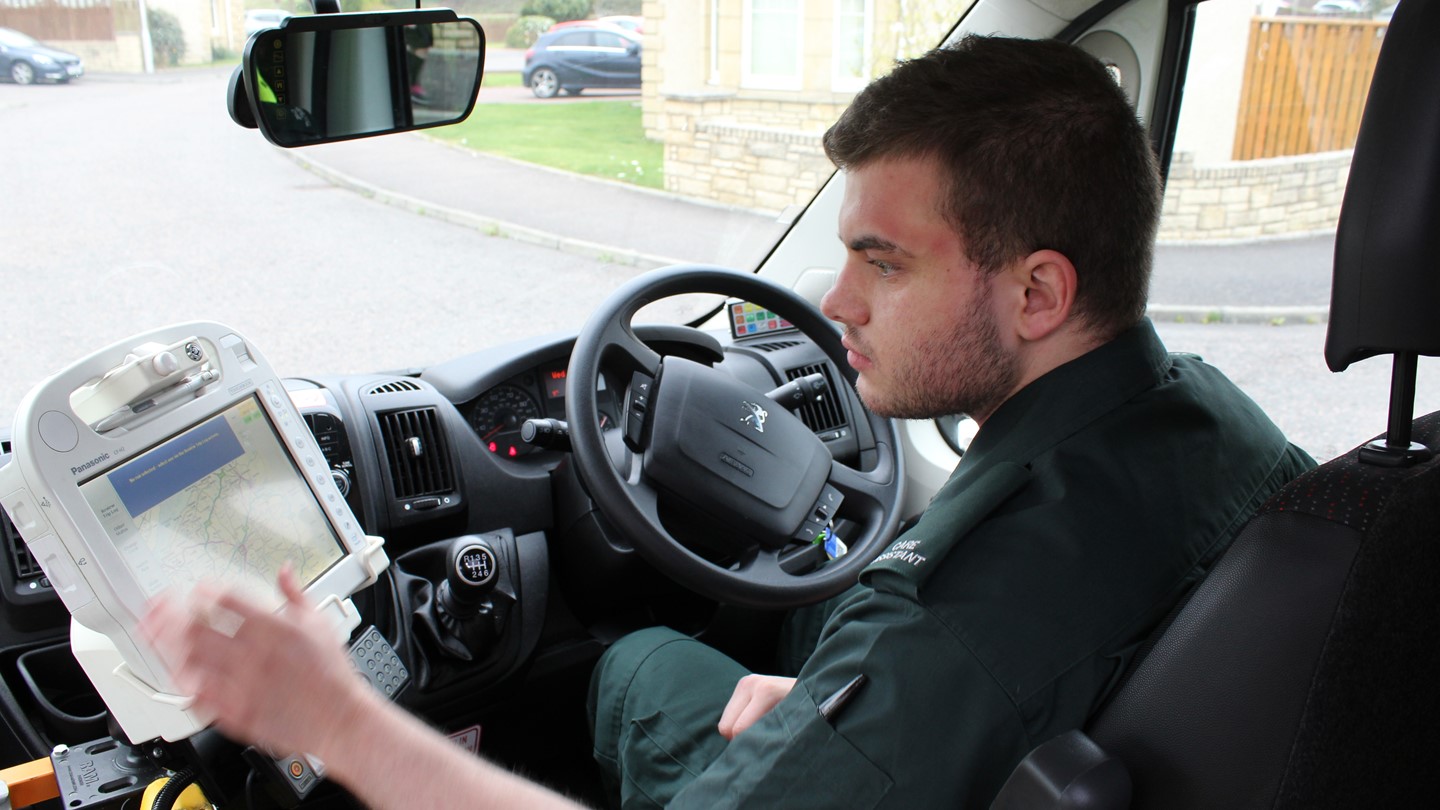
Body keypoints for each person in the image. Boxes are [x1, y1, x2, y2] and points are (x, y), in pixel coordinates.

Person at [141, 35, 1313, 809]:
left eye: (884, 265)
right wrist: (828, 719)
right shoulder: (1221, 426)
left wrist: (332, 715)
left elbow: (957, 661)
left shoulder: (958, 623)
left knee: (636, 662)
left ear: (1040, 293)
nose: (836, 303)